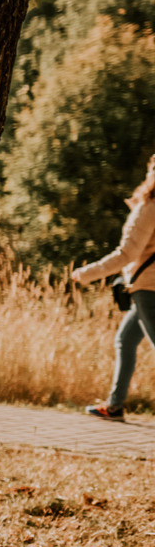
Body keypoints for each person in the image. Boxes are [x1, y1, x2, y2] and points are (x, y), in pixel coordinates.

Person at [72, 152, 155, 422]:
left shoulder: (150, 206)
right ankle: (115, 406)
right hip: (146, 284)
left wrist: (86, 274)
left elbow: (126, 254)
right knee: (125, 339)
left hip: (148, 287)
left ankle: (115, 405)